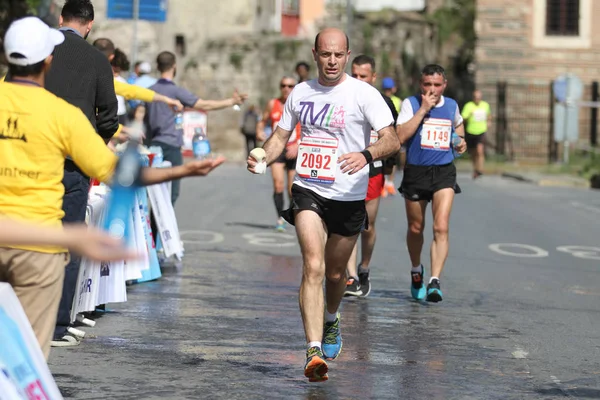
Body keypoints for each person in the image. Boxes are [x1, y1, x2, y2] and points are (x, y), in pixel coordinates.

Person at [0, 16, 225, 358]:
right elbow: (116, 173)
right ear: (48, 60)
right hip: (41, 249)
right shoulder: (64, 116)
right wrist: (183, 171)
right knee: (26, 361)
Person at [247, 28, 400, 382]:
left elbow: (391, 140)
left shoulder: (364, 94)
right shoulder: (301, 92)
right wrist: (263, 157)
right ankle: (313, 350)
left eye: (338, 55)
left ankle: (331, 318)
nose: (331, 61)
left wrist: (366, 155)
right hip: (308, 189)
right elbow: (281, 137)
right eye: (325, 54)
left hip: (347, 195)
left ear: (347, 55)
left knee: (336, 274)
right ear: (315, 54)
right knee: (312, 266)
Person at [396, 64, 466, 304]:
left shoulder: (451, 105)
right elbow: (401, 136)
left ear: (444, 85)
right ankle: (417, 270)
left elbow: (458, 124)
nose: (432, 89)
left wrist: (461, 140)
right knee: (416, 228)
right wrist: (423, 110)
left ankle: (434, 280)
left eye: (437, 85)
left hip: (444, 171)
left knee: (441, 227)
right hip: (416, 172)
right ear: (421, 84)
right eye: (428, 84)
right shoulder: (410, 104)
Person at [145, 50, 247, 205]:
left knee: (151, 192)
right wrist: (231, 102)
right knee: (171, 194)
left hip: (152, 146)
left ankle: (150, 227)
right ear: (174, 66)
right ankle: (160, 228)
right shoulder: (176, 91)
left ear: (158, 67)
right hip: (171, 146)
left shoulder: (149, 90)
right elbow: (204, 104)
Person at [344, 54, 398, 298]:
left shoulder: (385, 103)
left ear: (373, 77)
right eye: (354, 75)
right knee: (348, 225)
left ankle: (364, 267)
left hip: (373, 170)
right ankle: (351, 278)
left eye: (363, 76)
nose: (357, 80)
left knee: (367, 226)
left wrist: (388, 176)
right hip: (346, 169)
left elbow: (393, 142)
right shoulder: (342, 97)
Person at [256, 76, 301, 232]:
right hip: (278, 149)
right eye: (283, 85)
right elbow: (262, 121)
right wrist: (259, 131)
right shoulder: (272, 104)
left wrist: (298, 144)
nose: (286, 88)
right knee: (278, 185)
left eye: (290, 85)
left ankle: (291, 213)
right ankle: (280, 218)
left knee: (291, 189)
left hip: (295, 148)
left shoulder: (300, 103)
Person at [461, 89, 491, 179]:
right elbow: (463, 118)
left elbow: (489, 115)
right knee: (473, 153)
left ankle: (480, 169)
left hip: (481, 131)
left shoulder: (485, 105)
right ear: (473, 98)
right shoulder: (468, 106)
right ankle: (475, 168)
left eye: (479, 98)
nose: (477, 99)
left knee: (480, 150)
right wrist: (469, 115)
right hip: (471, 131)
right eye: (475, 97)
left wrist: (489, 122)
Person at [381, 77, 402, 197]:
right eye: (386, 89)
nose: (388, 91)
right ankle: (383, 183)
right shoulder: (379, 99)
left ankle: (390, 183)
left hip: (395, 132)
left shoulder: (399, 101)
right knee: (382, 159)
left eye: (389, 89)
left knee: (392, 160)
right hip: (383, 133)